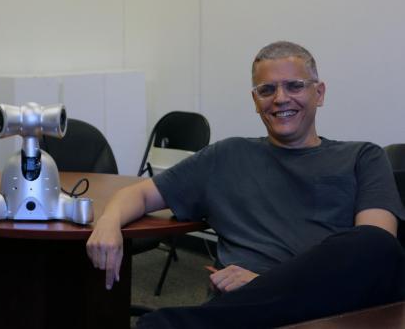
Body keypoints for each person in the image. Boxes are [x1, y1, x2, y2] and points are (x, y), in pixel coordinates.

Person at [86, 41, 405, 328]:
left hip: (328, 309)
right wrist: (108, 223)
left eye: (295, 86)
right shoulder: (226, 156)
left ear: (318, 93)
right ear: (255, 100)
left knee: (376, 244)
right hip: (243, 312)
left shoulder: (362, 157)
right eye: (267, 90)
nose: (281, 99)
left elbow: (374, 250)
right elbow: (139, 193)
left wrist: (264, 283)